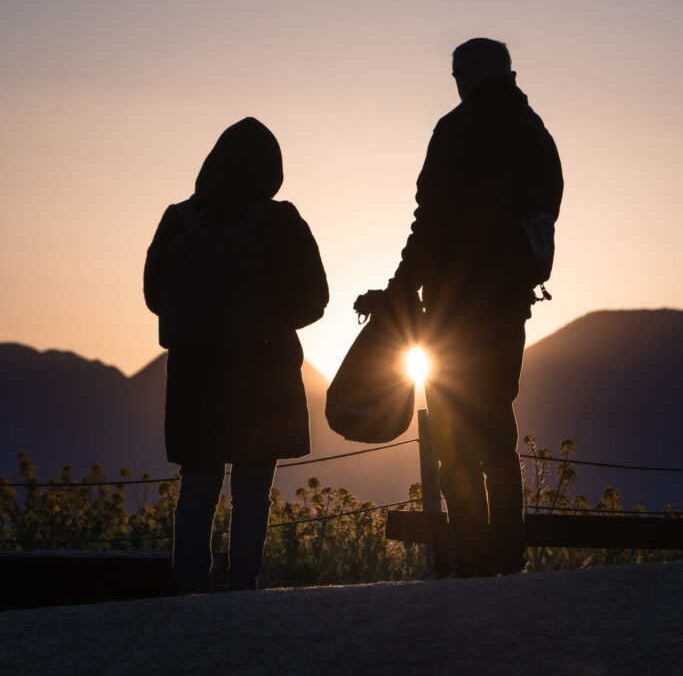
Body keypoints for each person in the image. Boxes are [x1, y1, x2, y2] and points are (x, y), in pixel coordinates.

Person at [355, 39, 563, 577]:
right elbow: (547, 208)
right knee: (496, 424)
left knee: (452, 436)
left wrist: (400, 290)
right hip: (509, 306)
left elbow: (429, 224)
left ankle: (471, 553)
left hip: (451, 310)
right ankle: (506, 550)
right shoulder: (535, 133)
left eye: (456, 76)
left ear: (466, 77)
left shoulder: (456, 130)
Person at [144, 117, 328, 593]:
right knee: (252, 488)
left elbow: (152, 295)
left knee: (198, 483)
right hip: (262, 375)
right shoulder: (280, 220)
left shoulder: (178, 219)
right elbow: (315, 300)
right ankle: (242, 584)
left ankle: (189, 585)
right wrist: (266, 321)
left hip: (193, 376)